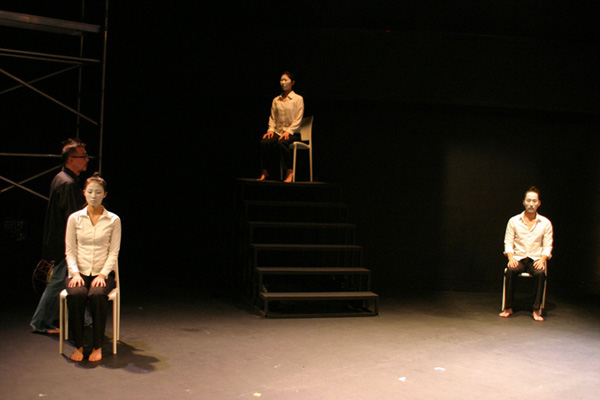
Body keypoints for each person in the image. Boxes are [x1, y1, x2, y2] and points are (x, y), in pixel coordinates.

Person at [30, 139, 88, 334]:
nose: (87, 159)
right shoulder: (67, 183)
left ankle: (84, 318)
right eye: (83, 156)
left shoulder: (61, 178)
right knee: (58, 282)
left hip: (59, 239)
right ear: (71, 159)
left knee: (68, 280)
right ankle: (40, 322)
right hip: (65, 242)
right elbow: (73, 218)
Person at [65, 173, 121, 362]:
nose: (93, 196)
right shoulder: (75, 218)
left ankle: (97, 346)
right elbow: (70, 250)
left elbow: (114, 252)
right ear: (84, 193)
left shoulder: (113, 220)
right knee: (76, 294)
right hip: (78, 272)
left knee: (97, 295)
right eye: (90, 192)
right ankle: (79, 345)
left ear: (105, 194)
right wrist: (74, 273)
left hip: (102, 273)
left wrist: (103, 275)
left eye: (98, 192)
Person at [500, 186, 553, 321]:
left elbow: (547, 245)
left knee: (540, 273)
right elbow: (508, 242)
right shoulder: (514, 221)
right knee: (510, 271)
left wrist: (542, 259)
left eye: (534, 201)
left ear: (539, 203)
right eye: (528, 201)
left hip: (535, 258)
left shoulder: (545, 223)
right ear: (523, 202)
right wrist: (511, 257)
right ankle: (508, 307)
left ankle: (536, 309)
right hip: (519, 258)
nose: (531, 204)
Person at [258, 71, 304, 183]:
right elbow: (273, 118)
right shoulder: (276, 100)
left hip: (293, 132)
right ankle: (265, 171)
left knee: (281, 142)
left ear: (292, 83)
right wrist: (270, 130)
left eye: (285, 80)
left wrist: (289, 131)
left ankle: (289, 171)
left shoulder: (298, 99)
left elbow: (298, 119)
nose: (283, 83)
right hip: (278, 131)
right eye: (281, 80)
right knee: (265, 142)